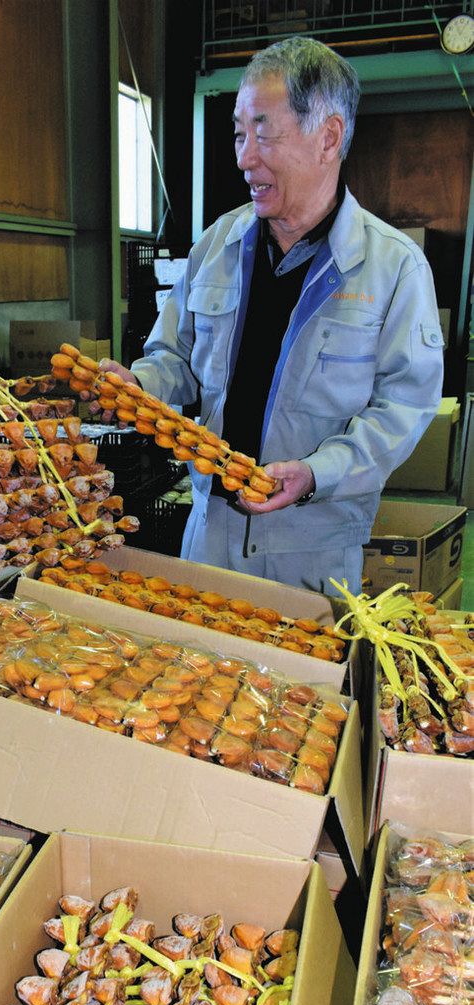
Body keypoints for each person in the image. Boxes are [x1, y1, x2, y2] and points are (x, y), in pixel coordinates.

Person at [103, 37, 444, 594]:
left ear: (328, 137)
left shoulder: (393, 269)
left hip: (312, 552)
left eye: (263, 132)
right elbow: (177, 360)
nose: (243, 157)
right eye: (239, 133)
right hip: (208, 533)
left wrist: (316, 473)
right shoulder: (217, 246)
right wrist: (135, 386)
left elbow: (403, 408)